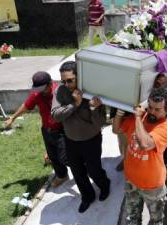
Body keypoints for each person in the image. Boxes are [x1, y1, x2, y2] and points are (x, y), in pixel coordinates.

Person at [51, 61, 111, 213]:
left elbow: (101, 122)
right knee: (78, 173)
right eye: (63, 81)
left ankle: (104, 186)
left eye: (70, 80)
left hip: (91, 140)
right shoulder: (60, 91)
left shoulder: (92, 91)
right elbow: (56, 116)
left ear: (79, 77)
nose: (66, 84)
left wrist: (92, 108)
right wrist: (74, 105)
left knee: (94, 170)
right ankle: (87, 196)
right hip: (71, 140)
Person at [112, 88, 167, 225]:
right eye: (150, 107)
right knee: (133, 218)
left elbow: (145, 144)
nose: (151, 111)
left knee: (156, 220)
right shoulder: (140, 118)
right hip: (131, 181)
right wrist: (120, 112)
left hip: (153, 186)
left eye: (157, 109)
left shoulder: (165, 128)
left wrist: (138, 118)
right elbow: (116, 129)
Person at [4, 72, 69, 188]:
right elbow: (26, 105)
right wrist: (13, 118)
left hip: (62, 130)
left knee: (65, 158)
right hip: (46, 130)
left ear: (50, 84)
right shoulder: (37, 94)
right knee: (53, 156)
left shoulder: (60, 91)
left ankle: (84, 169)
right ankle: (62, 176)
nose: (38, 91)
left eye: (41, 89)